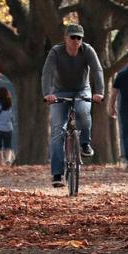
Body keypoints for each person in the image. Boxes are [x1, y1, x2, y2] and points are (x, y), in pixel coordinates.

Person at [42, 24, 104, 188]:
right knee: (57, 131)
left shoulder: (88, 50)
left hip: (82, 90)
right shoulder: (56, 52)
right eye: (73, 37)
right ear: (66, 38)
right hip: (60, 91)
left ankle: (84, 143)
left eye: (79, 38)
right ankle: (57, 174)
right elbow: (47, 72)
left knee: (84, 113)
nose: (76, 40)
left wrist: (100, 92)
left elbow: (97, 70)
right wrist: (47, 93)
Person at [0, 87, 14, 166]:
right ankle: (8, 160)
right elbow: (11, 116)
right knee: (8, 146)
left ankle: (0, 164)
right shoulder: (10, 103)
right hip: (8, 128)